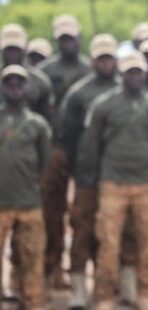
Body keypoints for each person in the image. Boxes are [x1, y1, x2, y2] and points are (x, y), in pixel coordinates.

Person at [83, 51, 148, 310]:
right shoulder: (104, 105)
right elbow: (92, 144)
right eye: (130, 72)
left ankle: (146, 293)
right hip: (113, 182)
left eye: (138, 72)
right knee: (108, 242)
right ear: (121, 74)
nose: (134, 77)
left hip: (146, 182)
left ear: (145, 74)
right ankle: (105, 295)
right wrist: (96, 177)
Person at [60, 34, 120, 309]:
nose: (106, 63)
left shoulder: (125, 89)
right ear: (93, 60)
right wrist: (78, 169)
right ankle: (78, 289)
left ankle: (107, 285)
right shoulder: (79, 94)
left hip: (117, 176)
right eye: (101, 58)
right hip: (86, 177)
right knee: (82, 231)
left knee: (111, 233)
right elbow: (68, 136)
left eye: (110, 58)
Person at [39, 14, 92, 288]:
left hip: (84, 150)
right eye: (63, 39)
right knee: (53, 211)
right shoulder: (45, 72)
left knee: (83, 212)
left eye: (71, 38)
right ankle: (54, 267)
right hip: (56, 150)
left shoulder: (90, 69)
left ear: (79, 39)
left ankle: (82, 270)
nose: (67, 43)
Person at [0, 65, 51, 310]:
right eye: (9, 82)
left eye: (19, 83)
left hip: (29, 202)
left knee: (31, 257)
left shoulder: (37, 124)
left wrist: (33, 186)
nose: (14, 87)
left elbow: (45, 162)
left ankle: (31, 300)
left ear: (27, 88)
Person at [0, 24, 54, 119]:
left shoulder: (39, 81)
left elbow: (48, 116)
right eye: (9, 49)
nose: (12, 54)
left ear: (24, 49)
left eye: (16, 49)